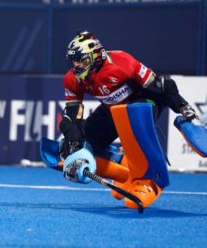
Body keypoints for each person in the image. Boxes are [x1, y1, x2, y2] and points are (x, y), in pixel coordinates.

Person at [59, 31, 199, 209]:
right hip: (113, 109)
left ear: (96, 56)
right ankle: (123, 169)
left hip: (144, 103)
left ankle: (150, 180)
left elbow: (162, 86)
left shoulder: (122, 62)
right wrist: (73, 142)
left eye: (82, 60)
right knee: (76, 143)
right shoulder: (72, 79)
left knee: (133, 114)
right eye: (74, 61)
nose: (77, 66)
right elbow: (72, 115)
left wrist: (183, 108)